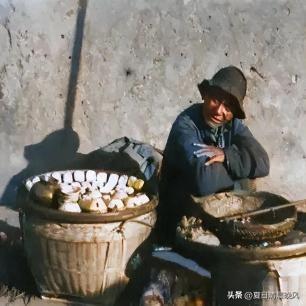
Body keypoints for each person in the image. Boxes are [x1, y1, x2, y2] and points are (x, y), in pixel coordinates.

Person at [157, 65, 270, 243]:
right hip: (181, 221)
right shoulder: (186, 125)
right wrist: (241, 167)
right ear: (205, 95)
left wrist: (228, 156)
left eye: (228, 106)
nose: (219, 111)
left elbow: (263, 163)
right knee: (245, 180)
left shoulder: (233, 125)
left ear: (234, 112)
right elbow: (205, 181)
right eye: (215, 99)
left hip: (214, 216)